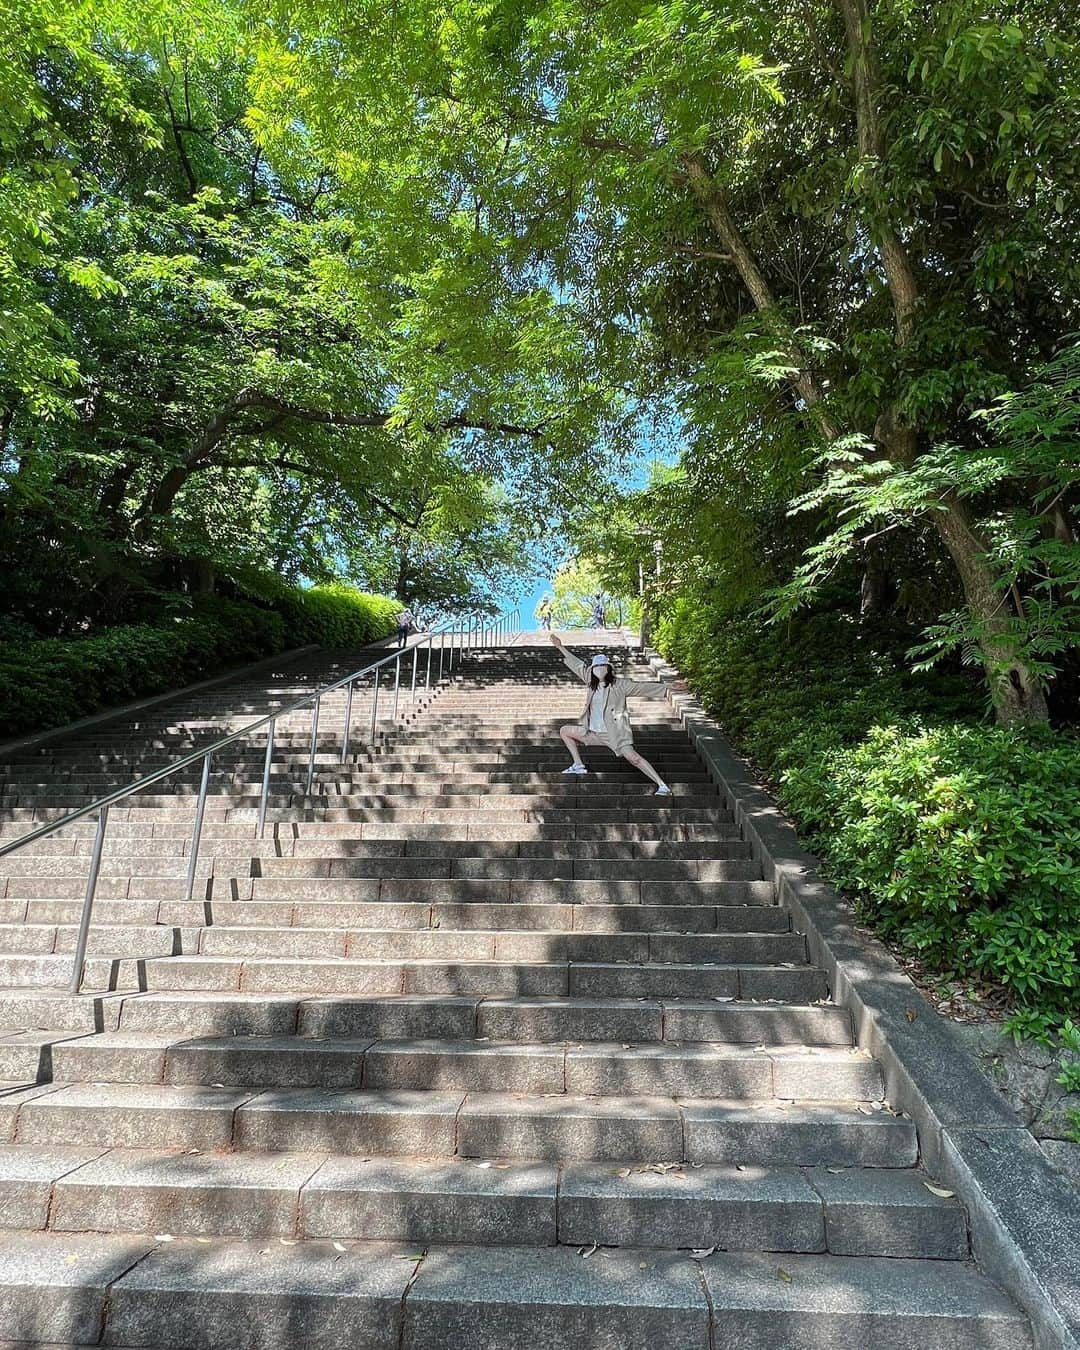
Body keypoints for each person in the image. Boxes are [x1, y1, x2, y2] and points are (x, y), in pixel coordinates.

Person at [550, 631, 672, 795]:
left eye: (602, 666)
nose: (599, 669)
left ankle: (662, 785)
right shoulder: (590, 681)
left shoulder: (619, 685)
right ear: (592, 669)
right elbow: (577, 665)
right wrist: (560, 646)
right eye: (596, 666)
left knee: (633, 758)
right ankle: (578, 765)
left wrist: (668, 688)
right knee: (565, 730)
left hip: (614, 733)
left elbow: (641, 687)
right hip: (592, 733)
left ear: (608, 668)